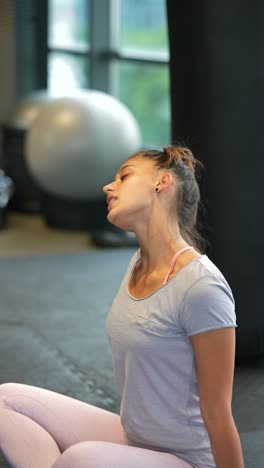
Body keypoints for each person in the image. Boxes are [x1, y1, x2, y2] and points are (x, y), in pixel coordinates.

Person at [0, 145, 244, 468]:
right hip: (134, 438)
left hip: (187, 459)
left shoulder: (201, 287)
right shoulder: (137, 264)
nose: (108, 186)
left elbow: (218, 412)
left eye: (124, 176)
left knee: (78, 460)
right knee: (6, 401)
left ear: (162, 183)